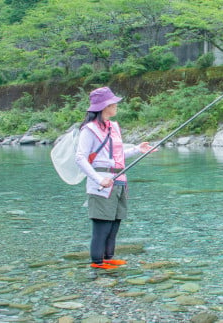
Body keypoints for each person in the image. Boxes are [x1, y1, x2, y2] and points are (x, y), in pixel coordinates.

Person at [75, 86, 154, 269]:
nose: (116, 105)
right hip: (102, 183)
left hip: (119, 181)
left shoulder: (114, 127)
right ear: (104, 106)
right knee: (102, 226)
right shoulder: (89, 129)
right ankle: (97, 263)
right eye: (113, 103)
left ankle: (109, 258)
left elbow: (116, 156)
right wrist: (98, 179)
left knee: (115, 223)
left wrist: (137, 149)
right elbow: (80, 158)